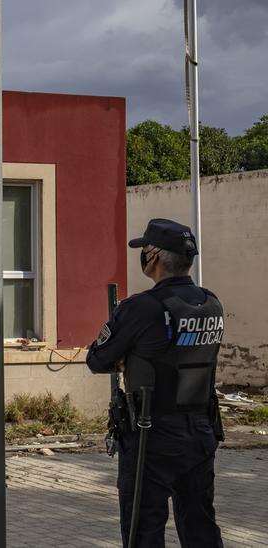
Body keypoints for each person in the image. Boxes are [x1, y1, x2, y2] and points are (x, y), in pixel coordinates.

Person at [87, 218, 225, 547]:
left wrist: (129, 357)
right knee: (201, 528)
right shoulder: (211, 304)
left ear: (155, 258)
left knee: (143, 530)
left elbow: (97, 359)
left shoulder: (142, 308)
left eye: (145, 250)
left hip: (150, 438)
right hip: (199, 433)